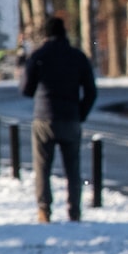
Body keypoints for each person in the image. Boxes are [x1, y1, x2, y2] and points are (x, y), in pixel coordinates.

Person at [20, 16, 97, 223]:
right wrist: (80, 113)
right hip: (71, 118)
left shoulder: (39, 56)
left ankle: (44, 210)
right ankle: (74, 211)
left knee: (42, 168)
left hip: (44, 118)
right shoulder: (78, 57)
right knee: (73, 169)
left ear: (46, 34)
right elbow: (91, 91)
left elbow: (26, 89)